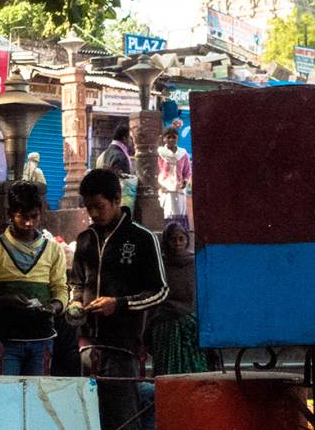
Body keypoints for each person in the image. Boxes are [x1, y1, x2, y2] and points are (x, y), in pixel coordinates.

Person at [69, 169, 168, 430]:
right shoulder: (85, 239)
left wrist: (119, 304)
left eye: (99, 206)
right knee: (90, 417)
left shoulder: (142, 238)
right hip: (88, 346)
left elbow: (160, 291)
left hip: (123, 346)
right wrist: (75, 303)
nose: (93, 214)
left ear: (116, 200)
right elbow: (77, 283)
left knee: (124, 418)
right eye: (89, 207)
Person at [0, 182, 68, 376]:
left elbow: (61, 289)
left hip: (42, 339)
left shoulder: (53, 250)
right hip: (5, 341)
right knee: (6, 398)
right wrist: (6, 301)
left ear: (41, 213)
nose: (29, 223)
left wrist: (55, 306)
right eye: (22, 217)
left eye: (34, 217)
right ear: (11, 215)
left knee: (38, 397)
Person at [148, 222, 208, 376]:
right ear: (165, 241)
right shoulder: (158, 265)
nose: (177, 243)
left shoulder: (195, 263)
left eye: (181, 239)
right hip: (166, 328)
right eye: (173, 239)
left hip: (190, 328)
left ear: (187, 240)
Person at [157, 127, 192, 226]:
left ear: (177, 138)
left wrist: (185, 182)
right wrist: (159, 185)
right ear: (164, 139)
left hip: (179, 190)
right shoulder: (159, 154)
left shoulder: (183, 154)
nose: (171, 139)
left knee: (179, 214)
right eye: (168, 137)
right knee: (167, 213)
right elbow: (156, 171)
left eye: (174, 137)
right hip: (165, 190)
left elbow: (187, 171)